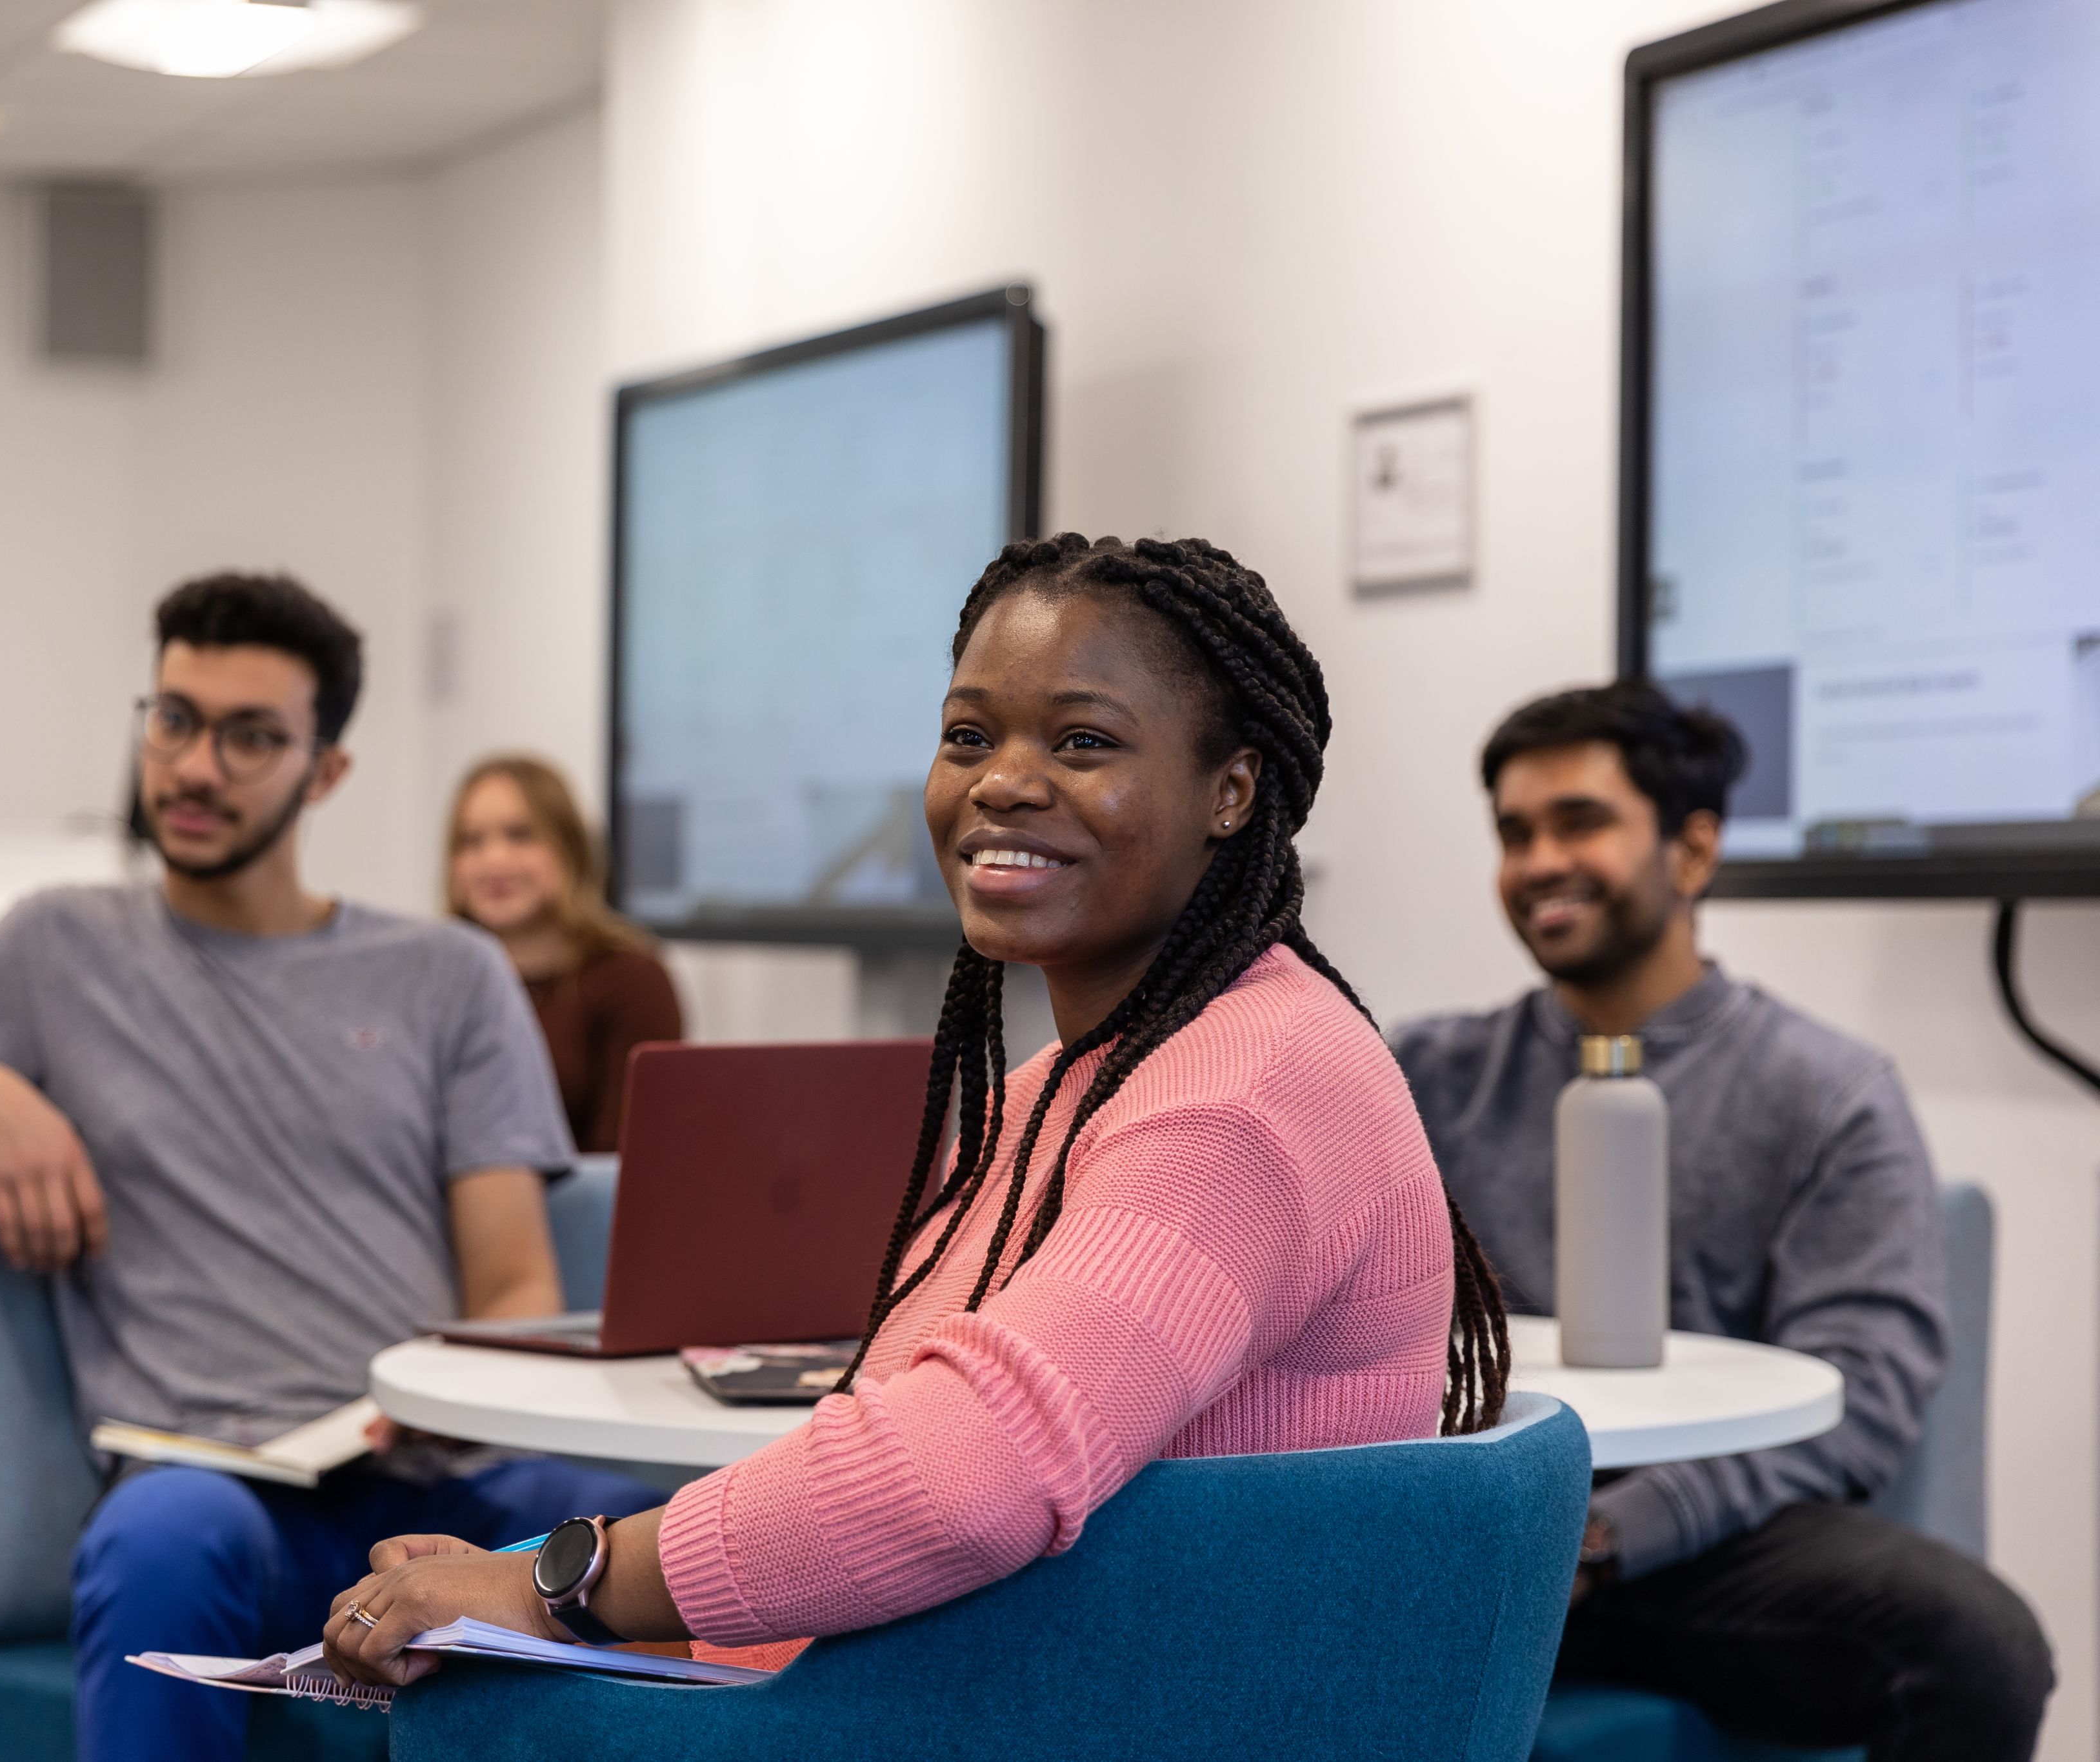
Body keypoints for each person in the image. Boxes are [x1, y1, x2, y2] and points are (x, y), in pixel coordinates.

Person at [310, 533, 1511, 1688]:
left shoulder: (1243, 1097)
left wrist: (552, 1587)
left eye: (1084, 741)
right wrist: (518, 1579)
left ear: (1231, 791)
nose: (1001, 781)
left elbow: (966, 1476)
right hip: (993, 1693)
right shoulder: (1068, 1091)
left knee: (469, 1702)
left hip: (1077, 1722)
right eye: (968, 735)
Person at [0, 572, 661, 1762]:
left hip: (429, 1480)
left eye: (251, 737)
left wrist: (429, 1413)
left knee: (648, 1530)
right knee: (157, 1538)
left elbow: (512, 1287)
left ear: (326, 770)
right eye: (177, 719)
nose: (197, 766)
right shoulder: (56, 947)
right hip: (214, 1488)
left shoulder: (447, 974)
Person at [1388, 681, 2053, 1760]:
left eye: (1581, 821)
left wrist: (1607, 1538)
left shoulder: (1826, 1091)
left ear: (1691, 852)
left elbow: (1863, 1390)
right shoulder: (1425, 1072)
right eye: (1514, 833)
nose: (1539, 860)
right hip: (1483, 1524)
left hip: (1698, 1545)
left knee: (1976, 1644)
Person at [443, 754, 682, 1152]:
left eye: (520, 835)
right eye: (472, 841)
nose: (494, 860)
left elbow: (627, 1163)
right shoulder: (438, 977)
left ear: (570, 847)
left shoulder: (631, 978)